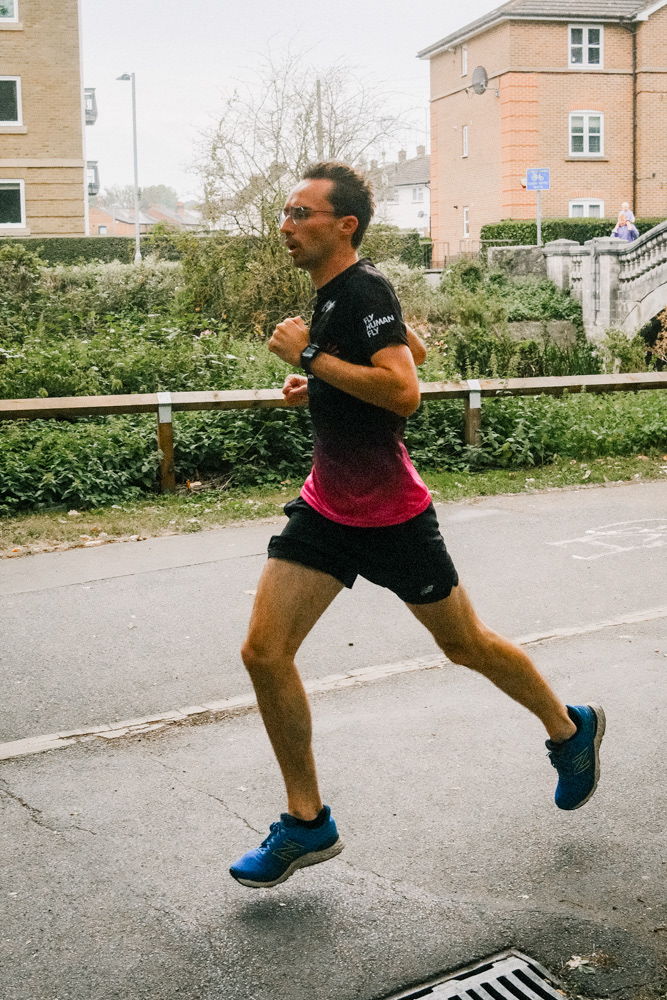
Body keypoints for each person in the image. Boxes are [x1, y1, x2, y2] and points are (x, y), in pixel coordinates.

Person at [229, 161, 605, 889]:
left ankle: (569, 728)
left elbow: (404, 391)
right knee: (264, 653)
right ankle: (307, 822)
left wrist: (309, 355)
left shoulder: (362, 289)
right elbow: (411, 352)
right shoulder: (336, 295)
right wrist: (320, 381)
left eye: (301, 214)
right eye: (285, 213)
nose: (285, 225)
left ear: (344, 226)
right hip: (326, 507)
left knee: (465, 645)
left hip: (392, 516)